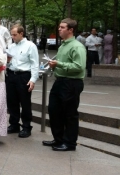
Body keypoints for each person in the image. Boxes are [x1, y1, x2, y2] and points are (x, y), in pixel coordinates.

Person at [43, 18, 86, 151]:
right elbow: (63, 64)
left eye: (62, 27)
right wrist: (54, 66)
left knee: (69, 114)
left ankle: (70, 143)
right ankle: (59, 139)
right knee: (54, 110)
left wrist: (59, 64)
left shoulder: (77, 46)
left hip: (71, 83)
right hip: (60, 81)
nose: (59, 29)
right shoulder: (63, 45)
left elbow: (79, 66)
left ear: (71, 30)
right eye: (59, 27)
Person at [5, 25, 39, 138]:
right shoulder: (11, 46)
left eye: (15, 34)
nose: (13, 37)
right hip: (11, 74)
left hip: (24, 75)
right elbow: (8, 63)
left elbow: (35, 64)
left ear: (21, 33)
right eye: (12, 35)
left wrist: (33, 79)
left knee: (25, 102)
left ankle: (26, 126)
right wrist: (7, 62)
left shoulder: (30, 46)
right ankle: (14, 124)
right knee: (11, 101)